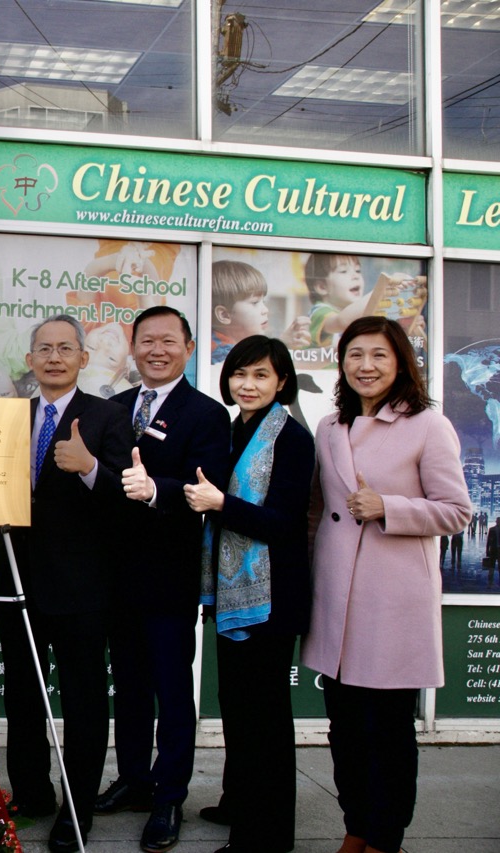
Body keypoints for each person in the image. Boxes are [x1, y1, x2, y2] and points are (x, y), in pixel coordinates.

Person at [302, 316, 470, 853]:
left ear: (400, 362)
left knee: (387, 733)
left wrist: (388, 507)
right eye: (355, 355)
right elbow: (317, 513)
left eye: (378, 355)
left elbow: (457, 511)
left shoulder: (426, 425)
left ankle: (384, 837)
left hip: (392, 602)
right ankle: (356, 828)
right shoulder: (330, 426)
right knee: (345, 730)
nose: (366, 366)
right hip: (336, 601)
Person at [0, 315, 133, 851]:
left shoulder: (107, 416)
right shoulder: (9, 417)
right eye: (44, 349)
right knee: (23, 692)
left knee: (83, 699)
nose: (54, 357)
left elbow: (126, 497)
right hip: (16, 576)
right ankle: (32, 793)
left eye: (65, 349)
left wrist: (90, 466)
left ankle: (77, 809)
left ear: (82, 358)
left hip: (81, 586)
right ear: (30, 360)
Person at [98, 305, 231, 853]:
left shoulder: (207, 414)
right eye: (146, 340)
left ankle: (169, 796)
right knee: (128, 687)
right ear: (133, 348)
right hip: (115, 577)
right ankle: (134, 780)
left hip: (170, 576)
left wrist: (155, 489)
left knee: (172, 691)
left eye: (168, 341)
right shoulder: (113, 407)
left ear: (189, 348)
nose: (156, 350)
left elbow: (206, 487)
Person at [183, 336, 315, 853]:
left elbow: (284, 523)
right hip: (232, 592)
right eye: (240, 373)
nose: (248, 384)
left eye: (261, 375)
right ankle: (239, 802)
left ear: (282, 381)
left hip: (271, 598)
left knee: (265, 720)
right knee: (236, 706)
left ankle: (265, 836)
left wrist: (220, 504)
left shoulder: (292, 438)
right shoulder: (234, 429)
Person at [210, 260, 270, 363]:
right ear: (224, 315)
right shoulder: (220, 353)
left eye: (263, 301)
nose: (265, 310)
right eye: (255, 302)